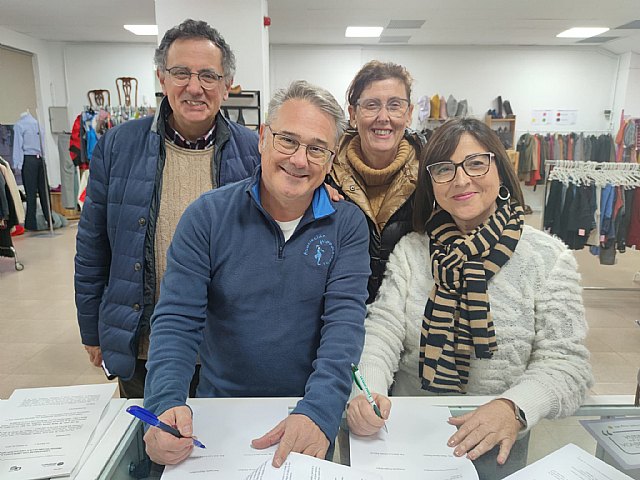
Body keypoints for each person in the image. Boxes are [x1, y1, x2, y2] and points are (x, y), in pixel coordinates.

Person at [346, 118, 593, 476]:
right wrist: (367, 392)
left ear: (500, 169)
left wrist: (513, 406)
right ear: (431, 183)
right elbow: (383, 331)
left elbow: (568, 364)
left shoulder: (547, 258)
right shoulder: (413, 251)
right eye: (444, 169)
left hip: (499, 442)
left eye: (476, 163)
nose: (461, 180)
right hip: (407, 433)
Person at [143, 80, 370, 467]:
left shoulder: (347, 225)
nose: (300, 159)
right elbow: (177, 321)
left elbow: (344, 326)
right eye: (287, 141)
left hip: (308, 407)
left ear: (331, 160)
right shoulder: (207, 216)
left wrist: (319, 410)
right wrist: (165, 402)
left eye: (317, 148)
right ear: (263, 138)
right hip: (221, 414)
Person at [74, 19, 260, 399]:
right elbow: (93, 246)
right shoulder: (117, 146)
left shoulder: (254, 151)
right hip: (143, 348)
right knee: (150, 449)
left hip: (225, 353)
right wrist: (92, 331)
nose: (195, 87)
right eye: (181, 73)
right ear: (162, 77)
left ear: (227, 85)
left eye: (209, 75)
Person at [328, 60, 425, 303]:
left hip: (407, 317)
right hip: (336, 313)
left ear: (409, 114)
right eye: (371, 105)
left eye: (395, 106)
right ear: (352, 114)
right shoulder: (323, 172)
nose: (384, 117)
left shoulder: (432, 177)